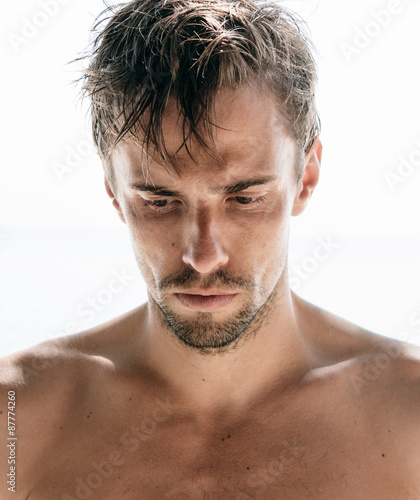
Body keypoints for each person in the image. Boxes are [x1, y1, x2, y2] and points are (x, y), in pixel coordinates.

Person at [1, 0, 420, 498]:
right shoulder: (15, 422)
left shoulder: (410, 420)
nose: (204, 255)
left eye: (245, 198)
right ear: (113, 190)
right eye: (159, 201)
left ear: (305, 177)